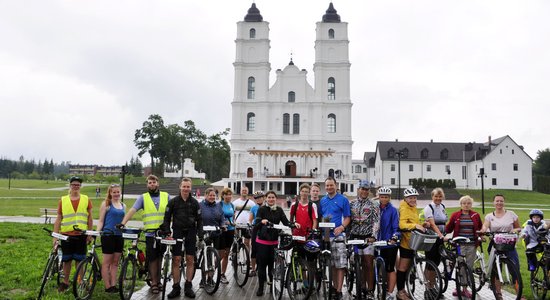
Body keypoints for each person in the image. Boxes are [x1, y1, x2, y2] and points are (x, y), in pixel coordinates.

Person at [119, 174, 169, 295]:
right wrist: (123, 223)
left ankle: (158, 280)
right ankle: (154, 283)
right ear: (147, 185)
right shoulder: (143, 198)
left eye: (154, 182)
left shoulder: (166, 196)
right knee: (152, 259)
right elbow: (132, 210)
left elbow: (174, 210)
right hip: (150, 234)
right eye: (150, 183)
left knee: (160, 257)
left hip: (163, 233)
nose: (152, 184)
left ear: (158, 183)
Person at [161, 177, 203, 299]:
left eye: (188, 187)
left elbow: (200, 220)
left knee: (190, 259)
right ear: (180, 187)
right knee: (176, 259)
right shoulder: (173, 202)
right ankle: (176, 287)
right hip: (177, 231)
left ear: (191, 188)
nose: (185, 189)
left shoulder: (195, 203)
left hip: (191, 232)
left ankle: (188, 285)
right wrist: (167, 231)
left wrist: (200, 234)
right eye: (184, 186)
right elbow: (166, 218)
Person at [52, 176, 93, 293]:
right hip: (66, 235)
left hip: (81, 235)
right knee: (67, 260)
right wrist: (55, 235)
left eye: (78, 185)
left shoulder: (86, 199)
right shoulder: (63, 200)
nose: (76, 187)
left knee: (80, 260)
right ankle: (65, 282)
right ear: (70, 186)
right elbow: (58, 218)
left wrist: (89, 233)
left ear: (80, 186)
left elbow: (90, 218)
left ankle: (80, 282)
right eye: (74, 184)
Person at [479, 194, 523, 300]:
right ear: (493, 202)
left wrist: (514, 230)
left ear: (504, 202)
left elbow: (519, 227)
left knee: (515, 269)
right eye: (497, 201)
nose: (499, 203)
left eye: (501, 201)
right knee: (496, 270)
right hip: (495, 244)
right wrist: (484, 230)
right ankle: (498, 293)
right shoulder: (489, 216)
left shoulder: (511, 214)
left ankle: (519, 293)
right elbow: (485, 225)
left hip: (509, 245)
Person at [254, 191, 293, 296]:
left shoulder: (279, 210)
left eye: (273, 197)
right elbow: (256, 223)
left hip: (274, 242)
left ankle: (272, 287)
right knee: (262, 266)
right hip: (262, 242)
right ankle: (261, 287)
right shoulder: (261, 209)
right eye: (269, 197)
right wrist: (261, 222)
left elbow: (286, 222)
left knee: (272, 266)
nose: (271, 199)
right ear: (266, 198)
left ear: (275, 198)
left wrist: (294, 224)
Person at [444, 195, 482, 298]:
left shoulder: (475, 215)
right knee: (461, 266)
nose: (466, 205)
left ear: (471, 204)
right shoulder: (455, 215)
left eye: (468, 203)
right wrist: (442, 235)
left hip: (472, 245)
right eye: (464, 203)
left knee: (468, 267)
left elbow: (480, 228)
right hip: (459, 244)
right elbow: (448, 228)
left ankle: (465, 288)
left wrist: (481, 237)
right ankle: (460, 287)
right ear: (461, 204)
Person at [319, 177, 351, 300]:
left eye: (331, 185)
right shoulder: (323, 200)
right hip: (326, 234)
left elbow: (348, 217)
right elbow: (322, 217)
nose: (329, 188)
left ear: (336, 185)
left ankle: (339, 290)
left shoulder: (343, 199)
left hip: (338, 234)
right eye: (327, 186)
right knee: (331, 263)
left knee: (340, 264)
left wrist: (342, 227)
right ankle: (333, 286)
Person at [396, 188, 428, 300]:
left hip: (413, 241)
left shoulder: (412, 207)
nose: (413, 199)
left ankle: (404, 290)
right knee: (402, 268)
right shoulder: (404, 208)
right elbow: (402, 224)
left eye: (414, 197)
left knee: (407, 268)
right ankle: (400, 292)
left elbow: (413, 222)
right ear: (405, 198)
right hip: (406, 243)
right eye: (410, 198)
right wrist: (415, 226)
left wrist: (421, 225)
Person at [349, 182, 379, 298]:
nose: (365, 191)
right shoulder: (352, 203)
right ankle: (361, 288)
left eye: (367, 189)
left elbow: (376, 221)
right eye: (363, 189)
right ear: (358, 189)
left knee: (368, 263)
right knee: (358, 263)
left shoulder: (373, 204)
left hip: (368, 237)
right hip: (355, 236)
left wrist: (373, 235)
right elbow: (348, 220)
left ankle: (370, 290)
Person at [96, 184, 125, 293]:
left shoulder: (123, 205)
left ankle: (114, 285)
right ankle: (107, 286)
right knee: (107, 262)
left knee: (115, 262)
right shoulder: (106, 204)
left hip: (119, 236)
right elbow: (101, 221)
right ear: (110, 193)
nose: (116, 194)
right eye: (114, 192)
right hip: (108, 235)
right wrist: (97, 232)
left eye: (118, 192)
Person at [421, 188, 448, 292]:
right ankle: (429, 286)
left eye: (440, 196)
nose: (438, 198)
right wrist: (440, 235)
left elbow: (444, 222)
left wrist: (445, 234)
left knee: (436, 262)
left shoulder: (442, 207)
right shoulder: (429, 207)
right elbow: (432, 224)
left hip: (440, 238)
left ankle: (432, 283)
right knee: (430, 262)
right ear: (432, 197)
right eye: (436, 196)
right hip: (431, 238)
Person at [376, 187, 400, 300]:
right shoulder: (375, 208)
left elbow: (396, 227)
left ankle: (390, 293)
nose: (384, 199)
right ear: (379, 197)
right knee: (379, 268)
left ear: (389, 198)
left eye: (386, 197)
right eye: (382, 196)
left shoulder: (393, 210)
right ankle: (381, 287)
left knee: (390, 269)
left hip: (390, 243)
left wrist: (394, 237)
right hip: (377, 242)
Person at [199, 187, 226, 287]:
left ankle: (210, 276)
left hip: (217, 232)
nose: (212, 197)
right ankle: (204, 279)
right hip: (205, 233)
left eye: (213, 195)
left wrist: (223, 225)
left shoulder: (218, 206)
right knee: (208, 257)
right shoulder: (200, 205)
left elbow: (222, 217)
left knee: (219, 255)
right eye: (210, 195)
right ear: (206, 195)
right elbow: (197, 218)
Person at [289, 184, 319, 267]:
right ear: (300, 192)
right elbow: (291, 219)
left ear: (309, 193)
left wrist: (312, 232)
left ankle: (309, 278)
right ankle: (300, 277)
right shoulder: (294, 205)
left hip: (307, 236)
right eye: (303, 191)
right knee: (298, 259)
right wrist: (292, 229)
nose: (304, 193)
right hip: (297, 235)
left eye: (306, 192)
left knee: (309, 260)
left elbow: (315, 220)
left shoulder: (312, 205)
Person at [219, 187, 235, 284]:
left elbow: (233, 217)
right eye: (226, 194)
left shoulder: (232, 205)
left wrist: (234, 223)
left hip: (230, 231)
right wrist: (223, 223)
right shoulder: (219, 204)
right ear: (223, 195)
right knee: (220, 254)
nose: (228, 196)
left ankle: (222, 274)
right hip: (222, 231)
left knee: (227, 253)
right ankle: (210, 273)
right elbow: (217, 216)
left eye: (230, 194)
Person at [249, 190, 266, 276]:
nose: (258, 199)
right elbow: (251, 219)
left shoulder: (267, 207)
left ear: (263, 198)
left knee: (262, 250)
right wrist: (250, 225)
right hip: (256, 229)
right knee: (254, 249)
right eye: (256, 198)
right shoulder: (254, 208)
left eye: (260, 197)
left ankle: (261, 268)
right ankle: (253, 269)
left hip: (264, 230)